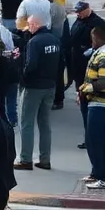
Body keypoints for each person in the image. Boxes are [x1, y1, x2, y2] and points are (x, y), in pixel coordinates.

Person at [16, 14, 60, 170]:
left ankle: (25, 159)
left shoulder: (34, 42)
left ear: (35, 24)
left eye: (29, 24)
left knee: (26, 123)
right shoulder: (54, 40)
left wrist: (23, 77)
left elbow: (31, 65)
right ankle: (45, 159)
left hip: (33, 87)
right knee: (45, 124)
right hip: (50, 86)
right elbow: (61, 62)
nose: (28, 27)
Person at [70, 0, 105, 149]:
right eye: (77, 11)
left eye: (80, 11)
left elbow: (102, 81)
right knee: (85, 108)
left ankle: (98, 138)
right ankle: (89, 138)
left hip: (92, 72)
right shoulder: (79, 20)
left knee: (93, 113)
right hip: (79, 67)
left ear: (88, 9)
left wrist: (86, 89)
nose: (78, 14)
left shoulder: (97, 23)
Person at [80, 24, 105, 190]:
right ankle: (97, 172)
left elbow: (103, 81)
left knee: (99, 141)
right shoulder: (101, 54)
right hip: (96, 102)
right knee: (93, 139)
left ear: (97, 38)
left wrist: (87, 89)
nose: (91, 41)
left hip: (101, 103)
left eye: (92, 38)